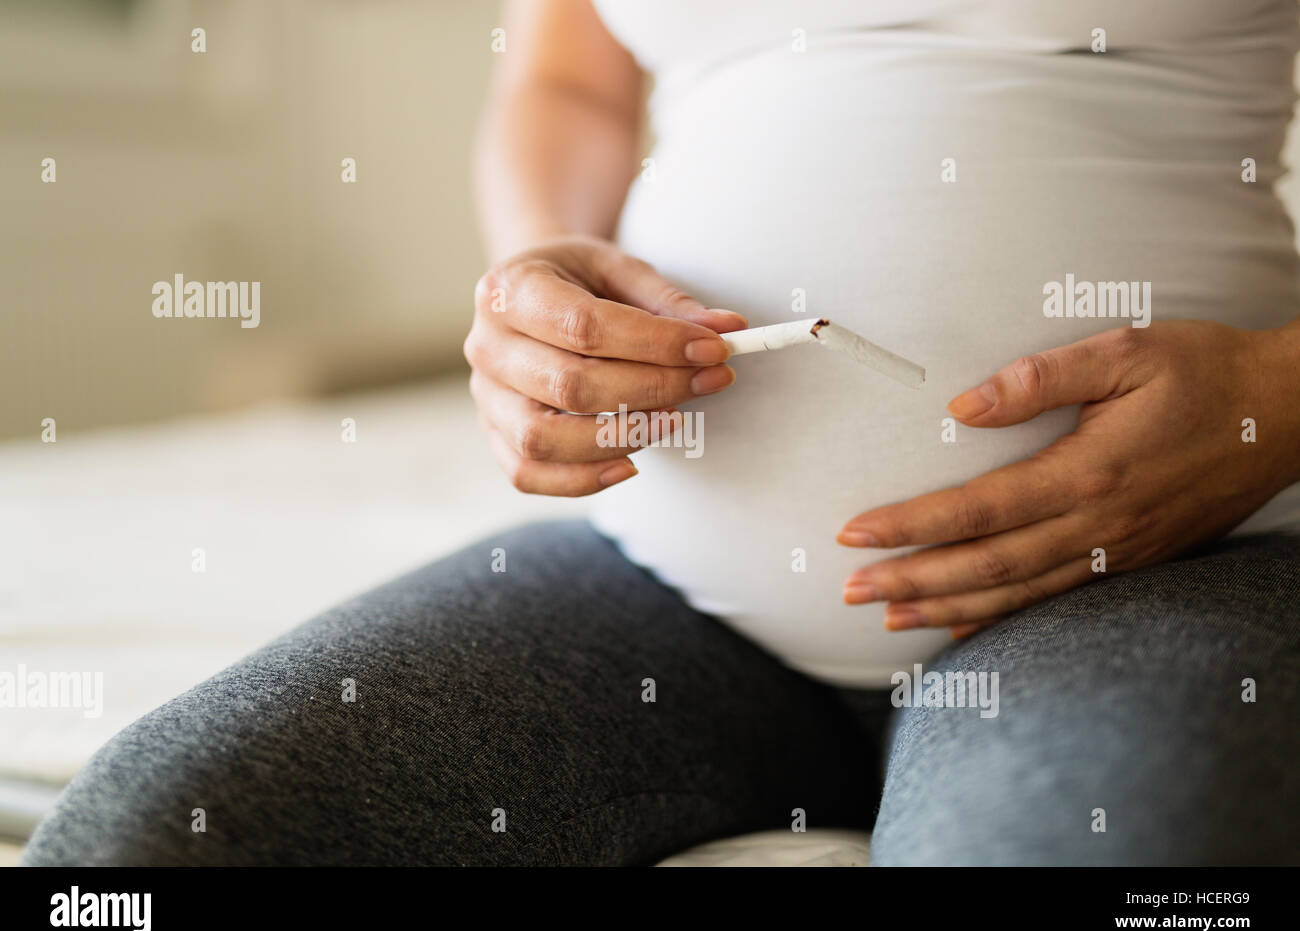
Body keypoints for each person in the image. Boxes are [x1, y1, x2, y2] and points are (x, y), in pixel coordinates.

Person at [25, 0, 1300, 865]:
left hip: (1165, 566)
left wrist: (1273, 398)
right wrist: (532, 294)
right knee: (154, 836)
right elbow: (567, 78)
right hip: (664, 574)